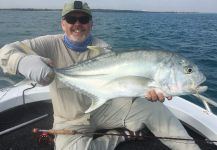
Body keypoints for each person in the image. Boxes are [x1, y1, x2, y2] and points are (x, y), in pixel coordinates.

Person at [0, 0, 201, 150]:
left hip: (104, 109)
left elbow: (120, 84)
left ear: (91, 24)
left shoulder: (102, 48)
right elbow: (6, 51)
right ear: (63, 24)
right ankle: (118, 136)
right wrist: (22, 61)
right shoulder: (47, 44)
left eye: (84, 19)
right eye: (72, 19)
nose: (77, 24)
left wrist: (145, 92)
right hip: (69, 119)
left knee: (155, 108)